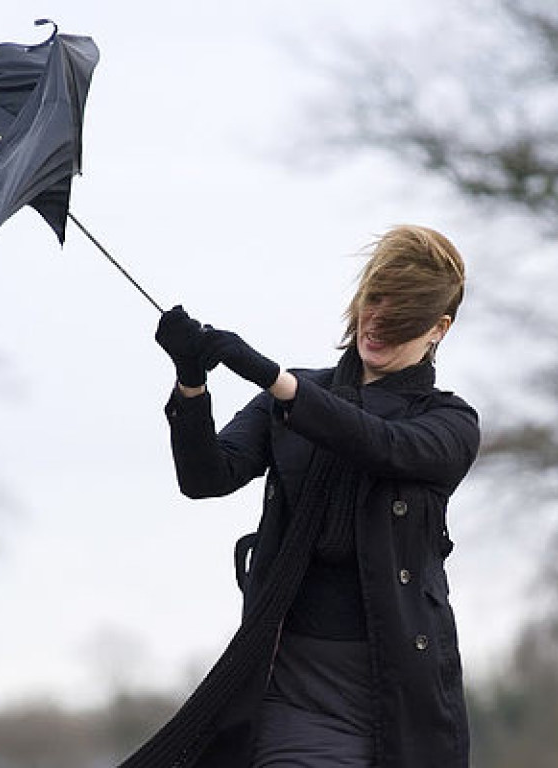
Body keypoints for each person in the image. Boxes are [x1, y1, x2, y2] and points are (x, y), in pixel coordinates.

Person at [131, 224, 480, 768]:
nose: (379, 322)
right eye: (375, 300)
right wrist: (191, 383)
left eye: (401, 316)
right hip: (293, 682)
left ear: (438, 328)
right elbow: (206, 477)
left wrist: (273, 379)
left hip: (398, 694)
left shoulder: (448, 423)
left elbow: (380, 444)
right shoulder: (293, 397)